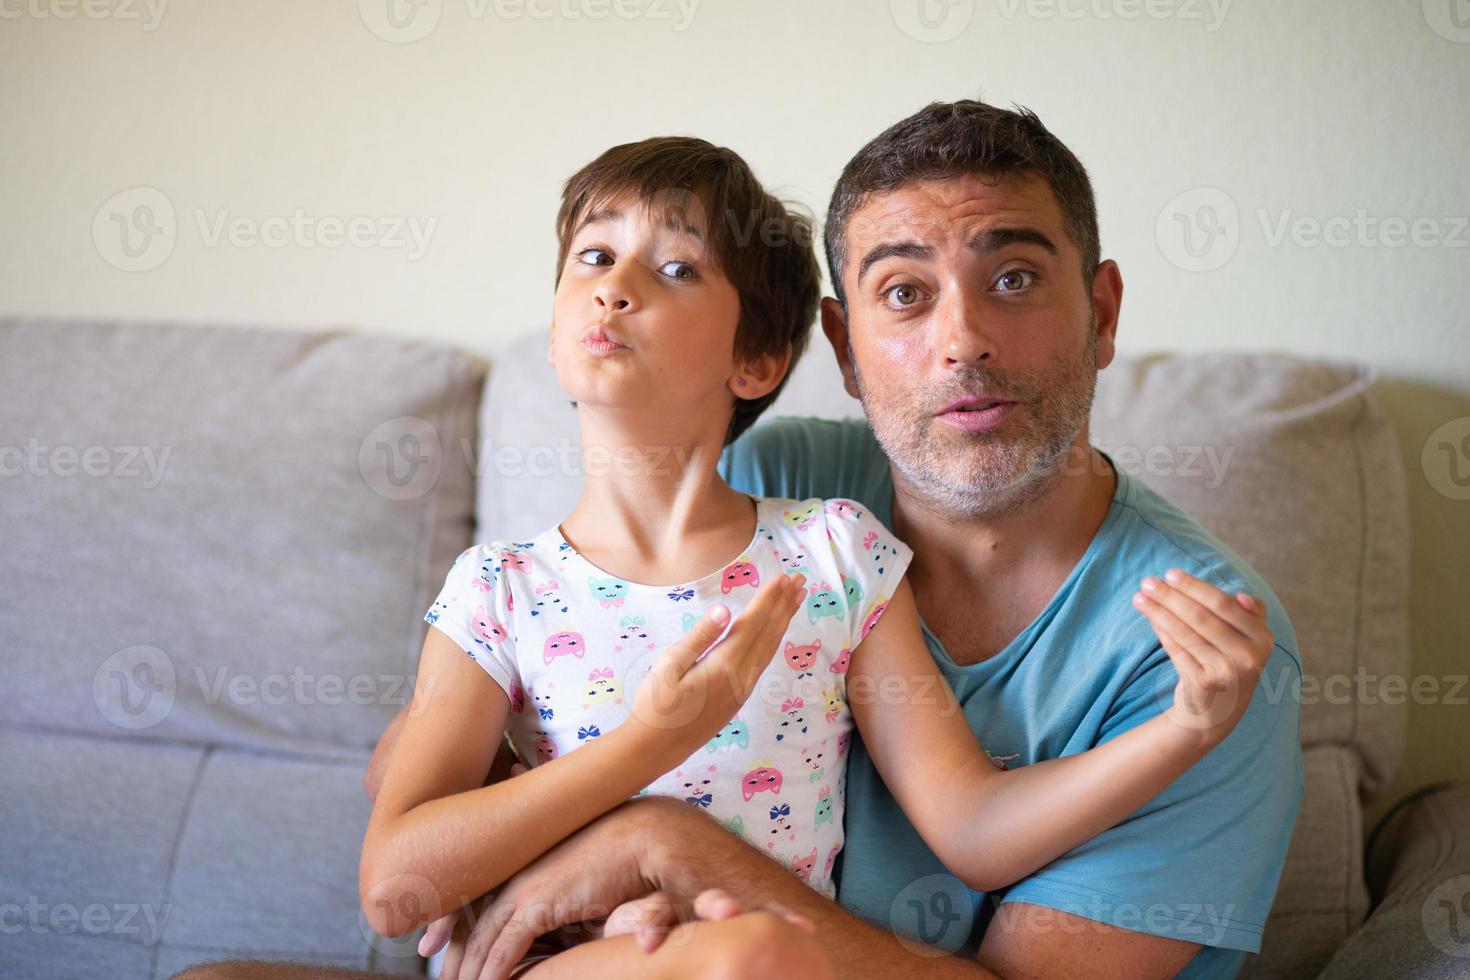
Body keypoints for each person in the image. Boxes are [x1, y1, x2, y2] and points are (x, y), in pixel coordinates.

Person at [181, 101, 1302, 980]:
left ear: (1103, 313)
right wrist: (569, 822)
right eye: (905, 293)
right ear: (844, 347)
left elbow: (975, 829)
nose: (962, 340)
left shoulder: (844, 555)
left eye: (1013, 279)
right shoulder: (653, 523)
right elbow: (410, 818)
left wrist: (661, 839)